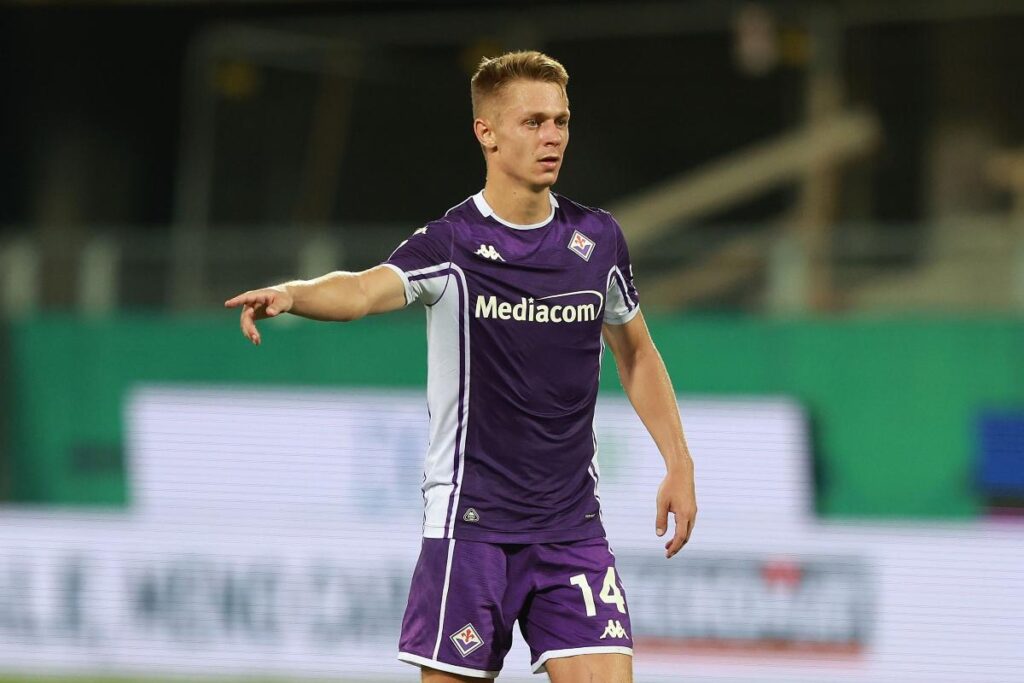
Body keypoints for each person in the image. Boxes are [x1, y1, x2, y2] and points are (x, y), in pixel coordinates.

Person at [225, 50, 696, 683]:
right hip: (470, 533)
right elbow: (364, 290)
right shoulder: (452, 246)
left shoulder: (598, 240)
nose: (552, 136)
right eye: (532, 122)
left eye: (560, 120)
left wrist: (679, 461)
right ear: (487, 133)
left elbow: (635, 350)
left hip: (571, 531)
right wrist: (295, 295)